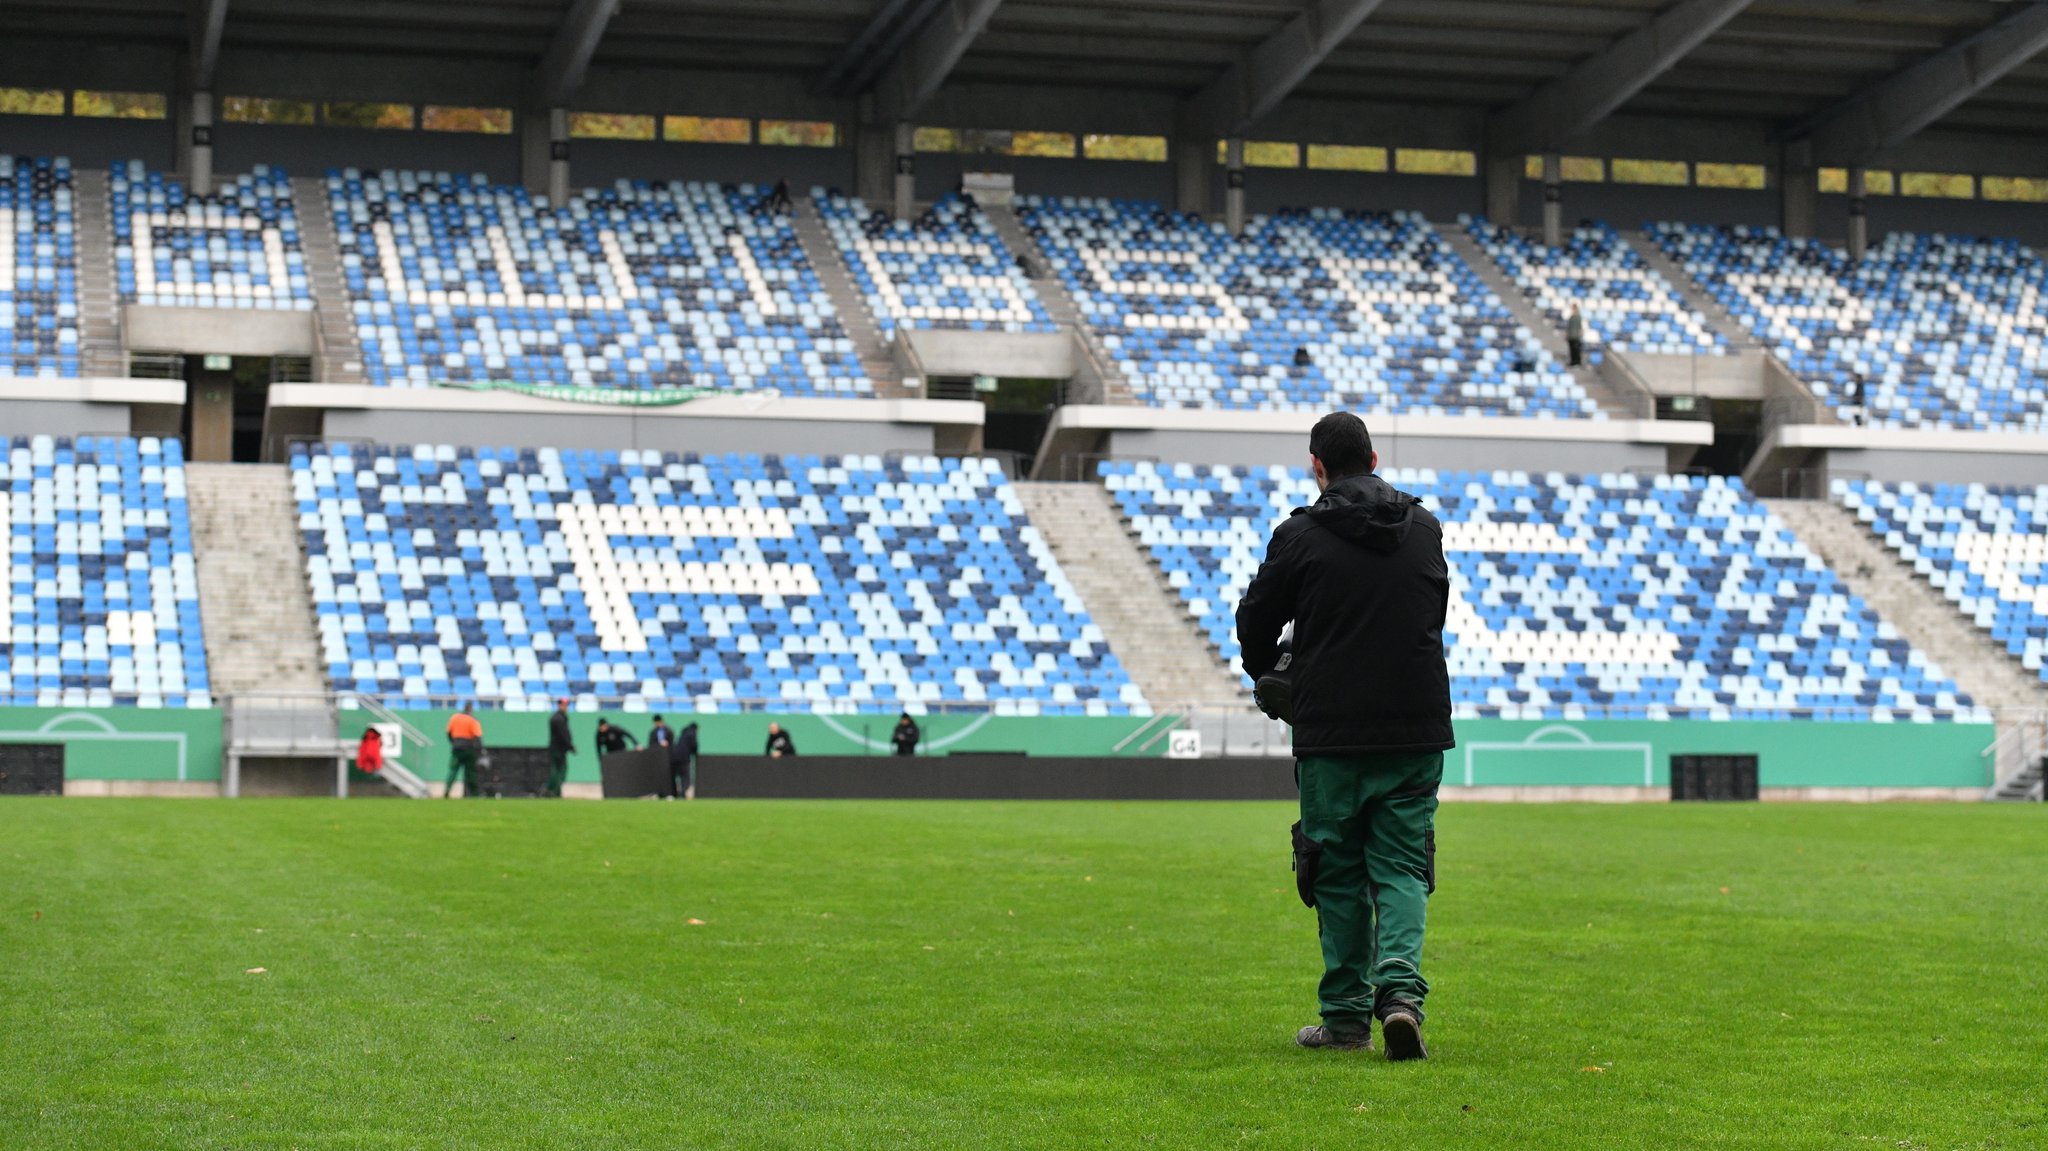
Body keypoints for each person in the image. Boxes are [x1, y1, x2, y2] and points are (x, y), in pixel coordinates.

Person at [1235, 411, 1453, 1062]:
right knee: (1403, 865)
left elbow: (1253, 621)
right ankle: (1402, 999)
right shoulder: (1425, 530)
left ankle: (1346, 1018)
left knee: (1333, 869)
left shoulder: (1298, 536)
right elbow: (1431, 614)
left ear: (1317, 468)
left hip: (1330, 731)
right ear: (1376, 458)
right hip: (1415, 726)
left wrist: (1271, 671)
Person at [444, 704, 483, 799]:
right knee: (470, 772)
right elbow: (477, 737)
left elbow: (448, 733)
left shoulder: (455, 718)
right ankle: (474, 794)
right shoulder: (473, 720)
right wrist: (481, 750)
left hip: (457, 748)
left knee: (453, 771)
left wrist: (453, 743)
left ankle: (447, 791)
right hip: (469, 749)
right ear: (471, 710)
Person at [545, 698, 576, 798]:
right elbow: (563, 735)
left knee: (556, 769)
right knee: (560, 770)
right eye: (564, 705)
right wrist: (570, 746)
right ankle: (553, 790)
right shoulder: (559, 719)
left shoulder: (557, 717)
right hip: (559, 749)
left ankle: (553, 790)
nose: (565, 707)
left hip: (557, 748)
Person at [672, 721, 700, 800]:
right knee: (685, 776)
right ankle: (683, 794)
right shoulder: (692, 734)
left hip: (675, 757)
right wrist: (695, 754)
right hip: (684, 758)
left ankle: (675, 793)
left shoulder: (683, 734)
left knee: (675, 776)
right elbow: (694, 745)